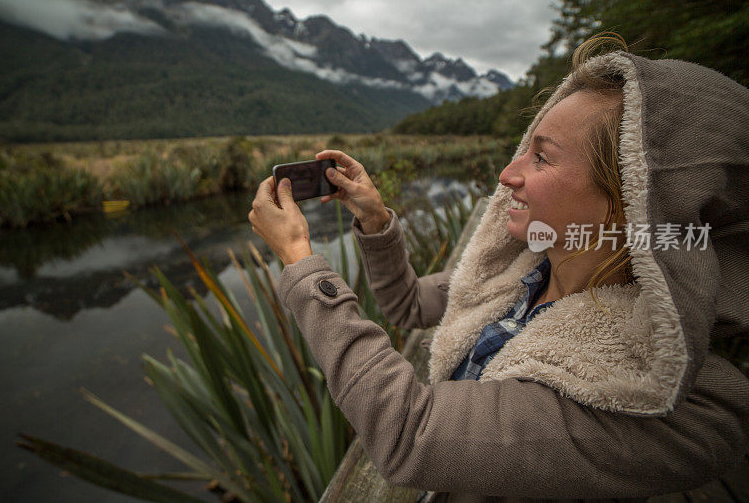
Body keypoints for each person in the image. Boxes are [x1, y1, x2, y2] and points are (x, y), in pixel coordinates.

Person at [247, 36, 749, 501]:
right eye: (523, 150)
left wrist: (300, 261)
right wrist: (375, 219)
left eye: (542, 158)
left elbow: (409, 433)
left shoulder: (672, 405)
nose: (508, 174)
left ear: (632, 198)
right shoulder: (522, 273)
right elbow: (408, 304)